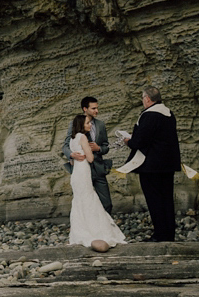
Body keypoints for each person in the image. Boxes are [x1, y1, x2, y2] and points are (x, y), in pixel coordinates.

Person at [121, 86, 181, 242]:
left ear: (147, 99)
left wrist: (129, 141)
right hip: (168, 165)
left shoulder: (149, 115)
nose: (142, 101)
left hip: (151, 166)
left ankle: (160, 235)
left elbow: (140, 141)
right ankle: (169, 234)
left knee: (154, 200)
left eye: (142, 98)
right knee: (167, 198)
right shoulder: (169, 114)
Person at [67, 113, 127, 249]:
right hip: (83, 170)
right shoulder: (82, 137)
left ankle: (81, 229)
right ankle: (97, 229)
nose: (89, 125)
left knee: (79, 200)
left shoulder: (73, 138)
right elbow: (90, 158)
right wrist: (89, 150)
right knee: (89, 198)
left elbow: (72, 156)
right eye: (87, 123)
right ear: (82, 125)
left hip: (76, 172)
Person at [62, 96, 112, 214]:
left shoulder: (100, 124)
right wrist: (72, 155)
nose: (97, 111)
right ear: (85, 109)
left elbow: (106, 146)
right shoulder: (74, 123)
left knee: (107, 204)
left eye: (97, 108)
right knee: (86, 202)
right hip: (83, 170)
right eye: (93, 108)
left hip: (99, 168)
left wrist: (99, 148)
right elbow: (65, 146)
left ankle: (106, 228)